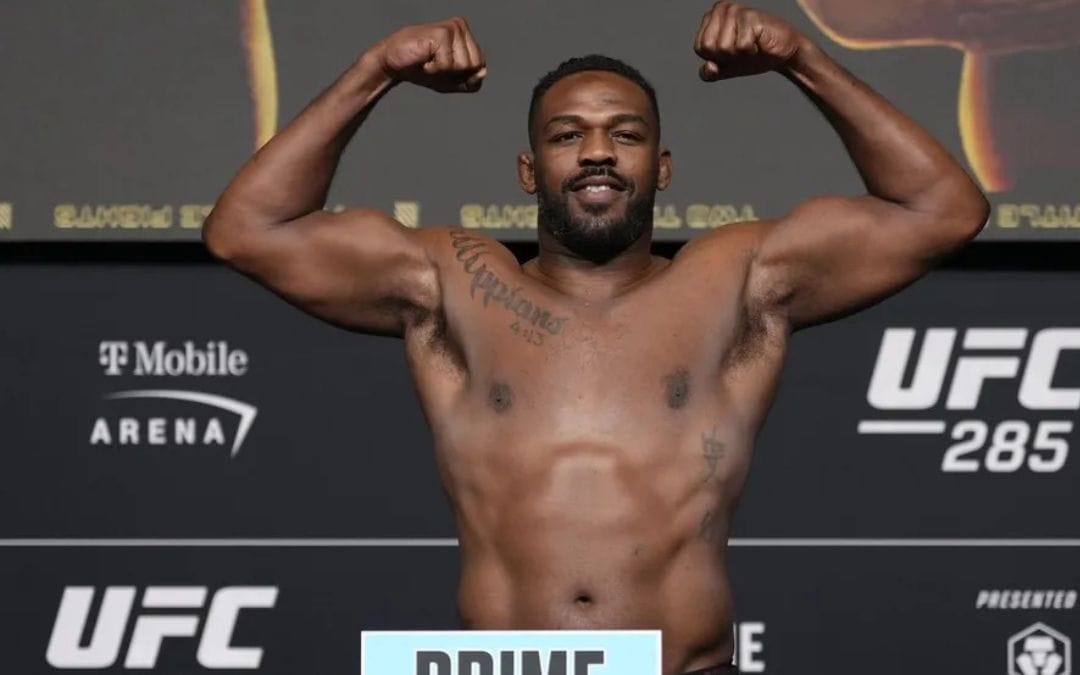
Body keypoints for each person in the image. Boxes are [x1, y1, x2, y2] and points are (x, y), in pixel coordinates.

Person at [202, 3, 988, 673]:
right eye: (567, 135)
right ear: (529, 170)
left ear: (663, 166)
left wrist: (801, 58)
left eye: (626, 134)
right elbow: (246, 230)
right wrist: (376, 70)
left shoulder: (737, 280)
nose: (599, 152)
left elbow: (943, 210)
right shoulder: (450, 282)